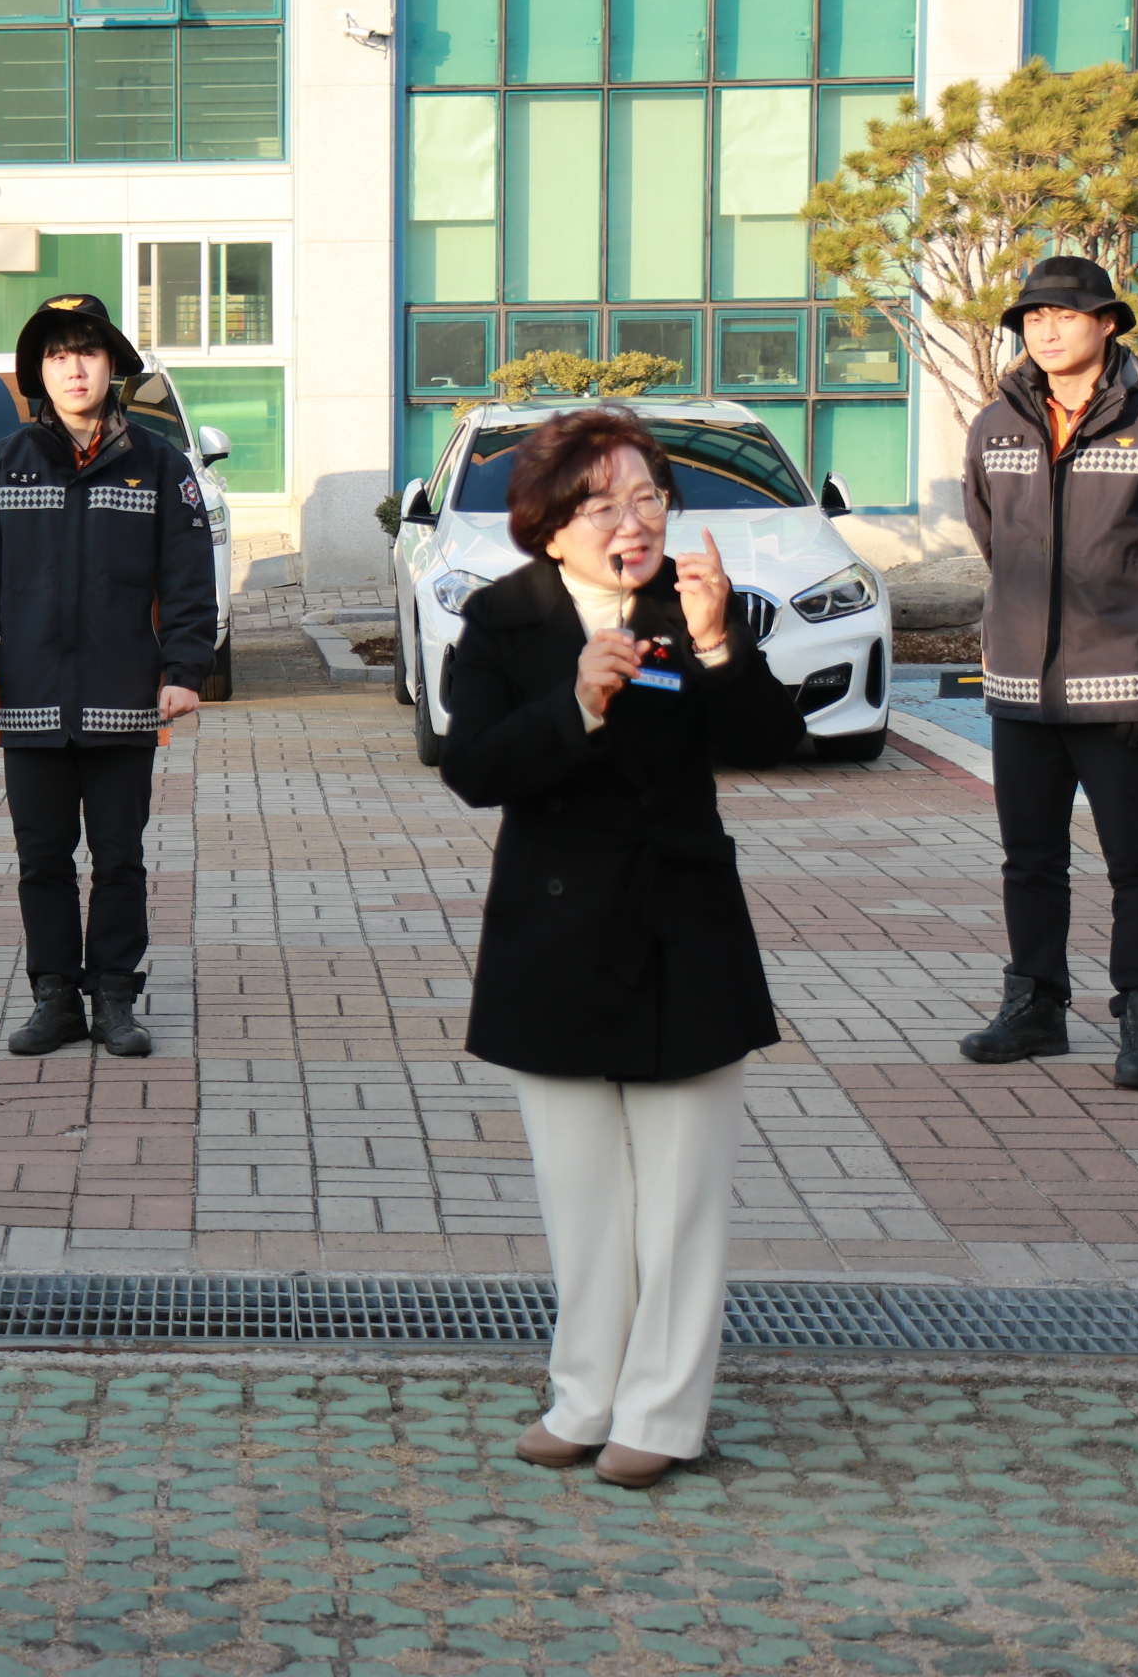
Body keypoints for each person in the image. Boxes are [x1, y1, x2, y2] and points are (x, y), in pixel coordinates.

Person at [439, 407, 804, 1489]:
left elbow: (771, 743)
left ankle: (663, 1412)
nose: (633, 520)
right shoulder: (503, 620)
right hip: (553, 933)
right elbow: (476, 767)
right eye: (603, 503)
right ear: (550, 526)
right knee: (582, 1197)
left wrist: (720, 644)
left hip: (681, 924)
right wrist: (578, 701)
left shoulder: (694, 607)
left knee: (681, 1198)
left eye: (647, 495)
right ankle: (585, 1394)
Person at [955, 256, 1138, 1090]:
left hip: (1124, 688)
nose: (1044, 328)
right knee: (1028, 859)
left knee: (1137, 864)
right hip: (1018, 687)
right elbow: (994, 541)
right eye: (1031, 317)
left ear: (1108, 322)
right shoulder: (993, 426)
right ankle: (1035, 1007)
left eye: (1064, 315)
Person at [0, 293, 219, 1058]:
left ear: (112, 368)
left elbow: (190, 580)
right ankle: (55, 998)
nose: (73, 367)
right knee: (43, 861)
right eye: (58, 354)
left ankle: (117, 1002)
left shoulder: (157, 467)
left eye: (87, 352)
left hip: (125, 701)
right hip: (29, 702)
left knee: (120, 858)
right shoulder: (4, 464)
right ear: (40, 370)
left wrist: (184, 669)